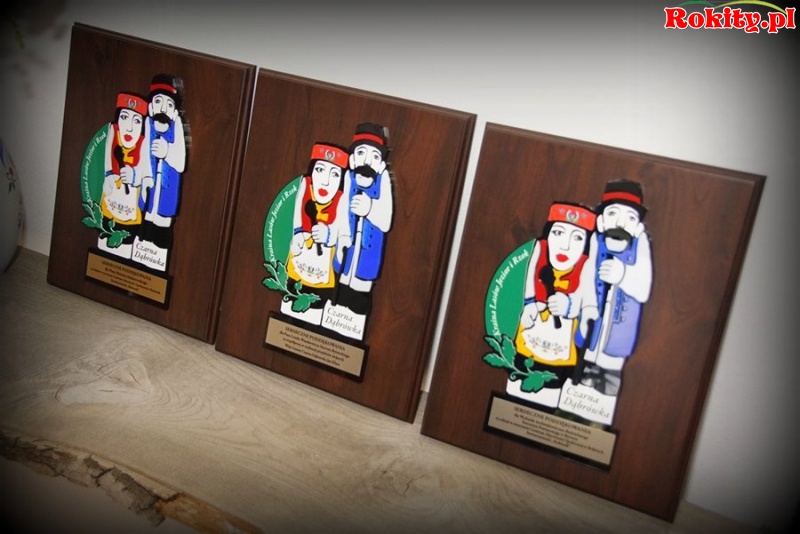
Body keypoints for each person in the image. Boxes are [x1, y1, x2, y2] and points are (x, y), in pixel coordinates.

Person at [507, 201, 596, 410]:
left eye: (577, 238)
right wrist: (529, 303)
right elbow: (530, 277)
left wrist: (569, 305)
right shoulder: (539, 248)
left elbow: (586, 298)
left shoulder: (587, 264)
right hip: (534, 324)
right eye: (558, 233)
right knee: (517, 382)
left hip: (561, 336)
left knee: (549, 392)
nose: (565, 245)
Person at [577, 179, 653, 398]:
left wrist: (623, 275)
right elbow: (587, 275)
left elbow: (643, 290)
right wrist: (588, 306)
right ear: (601, 220)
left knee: (607, 389)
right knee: (579, 378)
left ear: (638, 226)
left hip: (619, 334)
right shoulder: (596, 240)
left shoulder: (641, 244)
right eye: (613, 213)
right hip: (591, 330)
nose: (620, 223)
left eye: (630, 217)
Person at [322, 123, 393, 340]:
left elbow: (386, 220)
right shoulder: (349, 177)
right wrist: (341, 236)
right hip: (347, 247)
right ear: (353, 157)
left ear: (380, 161)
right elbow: (342, 208)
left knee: (359, 296)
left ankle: (351, 333)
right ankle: (331, 328)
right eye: (361, 153)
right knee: (339, 288)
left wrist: (370, 208)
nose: (367, 161)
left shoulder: (383, 180)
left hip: (368, 251)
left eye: (374, 155)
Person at [281, 143, 349, 326]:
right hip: (302, 247)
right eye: (320, 170)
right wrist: (297, 232)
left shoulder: (342, 198)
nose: (325, 181)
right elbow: (298, 212)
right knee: (291, 291)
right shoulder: (305, 185)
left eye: (334, 174)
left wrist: (328, 234)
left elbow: (341, 227)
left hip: (323, 258)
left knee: (317, 301)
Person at [133, 74, 187, 272]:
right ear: (150, 106)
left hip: (167, 189)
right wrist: (143, 176)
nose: (163, 108)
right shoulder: (147, 124)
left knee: (161, 229)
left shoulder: (176, 126)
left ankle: (156, 268)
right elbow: (141, 153)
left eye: (168, 104)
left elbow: (180, 162)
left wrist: (167, 151)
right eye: (158, 101)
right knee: (143, 226)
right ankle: (138, 265)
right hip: (148, 187)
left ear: (174, 110)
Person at [98, 92, 152, 260]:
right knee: (105, 231)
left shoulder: (144, 142)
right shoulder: (112, 131)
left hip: (131, 198)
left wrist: (134, 176)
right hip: (112, 189)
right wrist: (108, 174)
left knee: (126, 238)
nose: (129, 127)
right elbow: (107, 154)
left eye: (136, 121)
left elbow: (146, 168)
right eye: (124, 117)